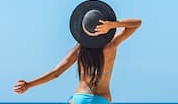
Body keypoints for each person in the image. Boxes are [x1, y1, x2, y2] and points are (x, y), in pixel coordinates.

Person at [13, 16, 142, 104]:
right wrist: (113, 24)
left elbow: (56, 73)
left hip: (80, 99)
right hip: (102, 100)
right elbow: (137, 23)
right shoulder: (111, 45)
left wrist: (29, 84)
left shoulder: (80, 49)